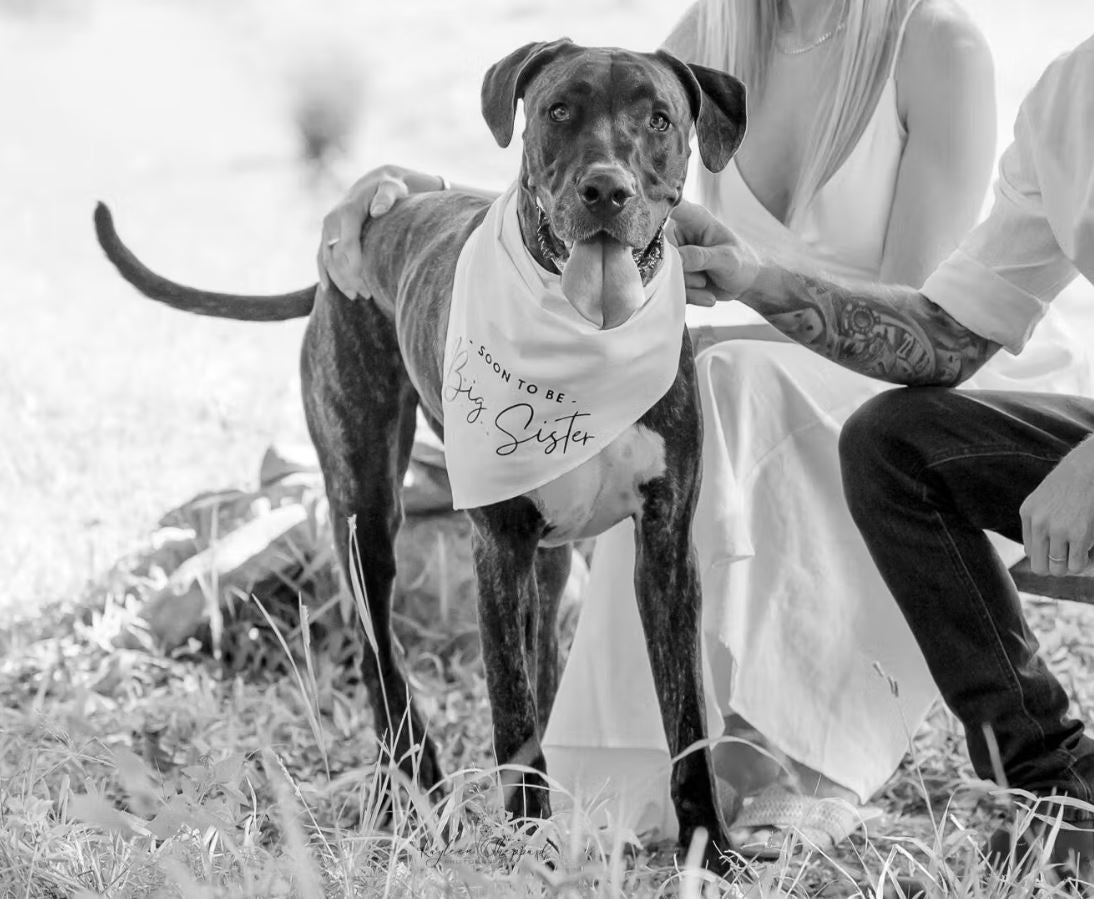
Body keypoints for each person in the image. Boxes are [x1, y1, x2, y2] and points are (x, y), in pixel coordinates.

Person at [317, 0, 1089, 852]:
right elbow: (585, 167)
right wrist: (425, 196)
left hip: (898, 372)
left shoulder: (938, 45)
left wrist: (744, 288)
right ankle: (664, 761)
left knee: (715, 380)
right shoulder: (711, 37)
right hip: (788, 352)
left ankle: (783, 762)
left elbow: (918, 321)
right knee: (700, 381)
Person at [672, 32, 1094, 883]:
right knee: (893, 445)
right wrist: (760, 280)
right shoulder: (1070, 96)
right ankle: (1060, 787)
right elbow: (944, 335)